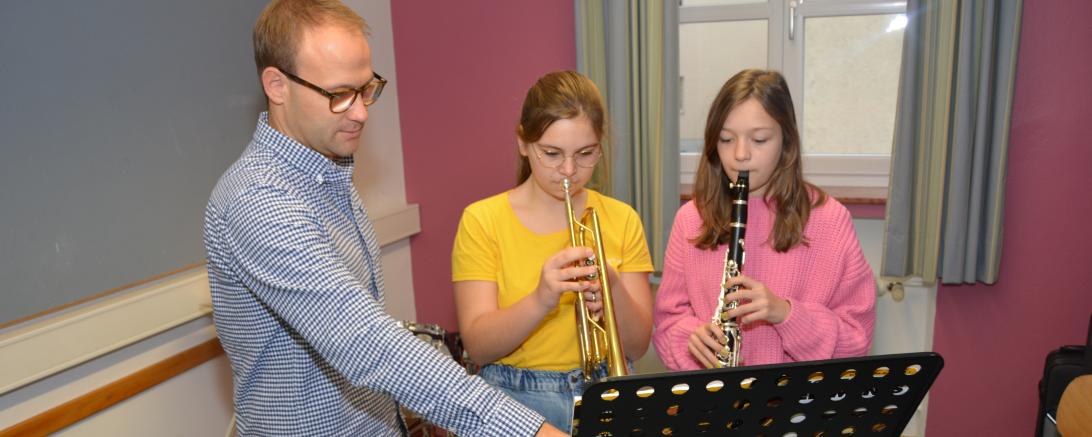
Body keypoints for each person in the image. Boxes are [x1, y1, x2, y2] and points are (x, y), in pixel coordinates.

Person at [203, 1, 566, 435]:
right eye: (338, 95)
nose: (360, 112)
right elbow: (368, 344)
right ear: (277, 85)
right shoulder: (259, 200)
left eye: (366, 88)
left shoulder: (327, 172)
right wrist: (530, 432)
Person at [451, 71, 655, 432]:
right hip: (514, 396)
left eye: (585, 154)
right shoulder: (482, 220)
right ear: (522, 143)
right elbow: (478, 346)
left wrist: (613, 292)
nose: (568, 171)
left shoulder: (622, 219)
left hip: (605, 391)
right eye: (551, 153)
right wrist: (542, 299)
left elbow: (637, 346)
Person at [652, 69, 876, 371]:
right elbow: (667, 324)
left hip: (798, 406)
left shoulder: (830, 219)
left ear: (786, 142)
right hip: (714, 404)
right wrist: (690, 338)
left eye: (759, 139)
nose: (740, 154)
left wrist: (786, 315)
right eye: (726, 139)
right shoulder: (691, 219)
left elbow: (857, 338)